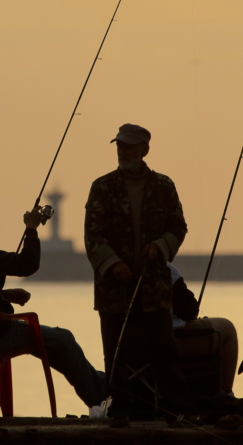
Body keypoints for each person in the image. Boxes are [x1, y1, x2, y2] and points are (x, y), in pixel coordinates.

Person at [0, 195, 107, 410]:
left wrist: (3, 295)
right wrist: (31, 228)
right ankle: (101, 398)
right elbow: (27, 264)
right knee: (63, 340)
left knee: (55, 343)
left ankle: (100, 383)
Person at [84, 123, 190, 426]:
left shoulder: (164, 186)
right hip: (112, 289)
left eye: (129, 146)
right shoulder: (102, 187)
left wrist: (159, 246)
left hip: (153, 285)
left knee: (165, 350)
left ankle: (176, 409)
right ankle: (121, 411)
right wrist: (113, 264)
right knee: (115, 353)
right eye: (120, 145)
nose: (123, 151)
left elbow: (178, 227)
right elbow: (93, 235)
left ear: (144, 150)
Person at [168, 263, 239, 397]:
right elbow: (190, 310)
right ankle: (226, 395)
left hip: (135, 348)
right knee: (227, 328)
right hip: (170, 343)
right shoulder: (165, 270)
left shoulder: (123, 270)